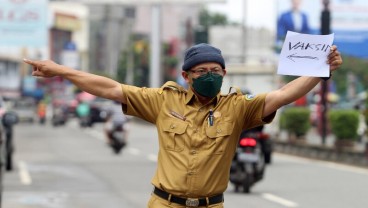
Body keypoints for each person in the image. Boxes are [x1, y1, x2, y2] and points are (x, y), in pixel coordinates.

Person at [23, 43, 342, 207]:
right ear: (186, 76)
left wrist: (320, 71)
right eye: (201, 70)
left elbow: (285, 94)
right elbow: (110, 88)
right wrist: (60, 70)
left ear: (225, 73)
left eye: (216, 69)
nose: (210, 75)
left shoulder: (238, 108)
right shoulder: (164, 101)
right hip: (165, 205)